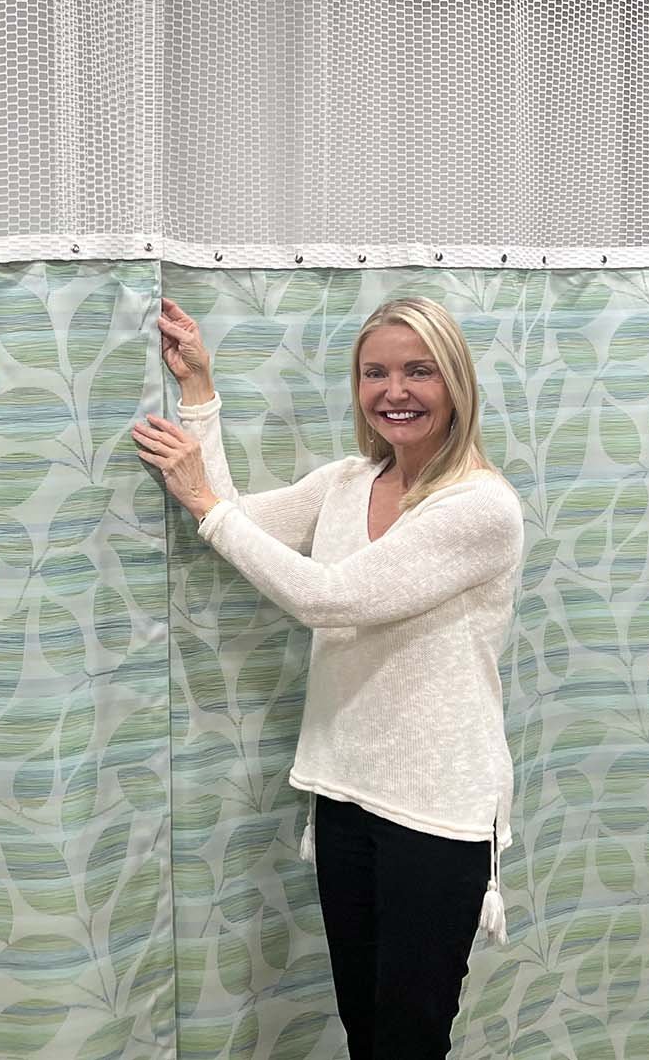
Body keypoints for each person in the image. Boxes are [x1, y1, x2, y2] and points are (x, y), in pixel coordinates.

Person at [130, 294, 524, 1060]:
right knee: (364, 1029)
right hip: (344, 794)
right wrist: (199, 391)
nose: (394, 391)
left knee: (408, 1042)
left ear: (456, 383)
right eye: (375, 373)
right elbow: (238, 517)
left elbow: (328, 598)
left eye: (418, 371)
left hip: (436, 812)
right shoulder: (347, 481)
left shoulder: (480, 508)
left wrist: (204, 501)